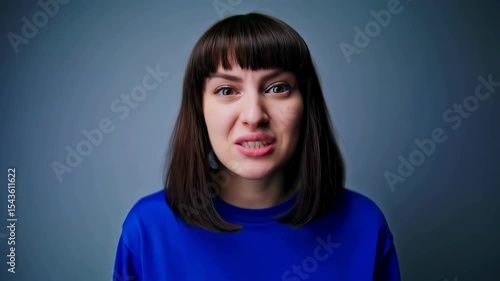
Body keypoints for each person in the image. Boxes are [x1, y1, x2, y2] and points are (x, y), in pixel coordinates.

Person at [113, 13, 401, 281]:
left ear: (306, 105)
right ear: (199, 109)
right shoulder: (147, 229)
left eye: (277, 88)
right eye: (227, 90)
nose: (254, 116)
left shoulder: (363, 224)